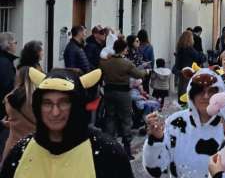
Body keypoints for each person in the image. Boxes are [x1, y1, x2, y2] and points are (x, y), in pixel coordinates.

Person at [0, 68, 133, 177]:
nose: (55, 112)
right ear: (38, 106)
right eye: (47, 103)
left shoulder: (107, 153)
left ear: (76, 106)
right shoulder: (20, 152)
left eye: (63, 103)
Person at [143, 69, 225, 177]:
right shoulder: (176, 122)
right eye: (200, 91)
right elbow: (155, 169)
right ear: (191, 94)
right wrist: (156, 139)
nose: (206, 96)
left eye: (211, 91)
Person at [100, 38, 148, 159]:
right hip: (123, 93)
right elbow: (138, 74)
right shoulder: (126, 63)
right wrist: (146, 71)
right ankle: (127, 150)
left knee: (110, 118)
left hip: (109, 92)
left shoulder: (105, 62)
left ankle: (109, 147)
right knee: (126, 119)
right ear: (124, 49)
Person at [1, 40, 43, 160]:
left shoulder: (9, 99)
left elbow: (16, 121)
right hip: (33, 146)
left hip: (13, 146)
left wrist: (8, 123)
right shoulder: (38, 100)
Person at [174, 30, 205, 104]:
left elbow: (177, 63)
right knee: (187, 90)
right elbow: (199, 58)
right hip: (189, 73)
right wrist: (202, 55)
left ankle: (181, 103)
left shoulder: (180, 49)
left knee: (181, 88)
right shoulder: (190, 49)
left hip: (182, 73)